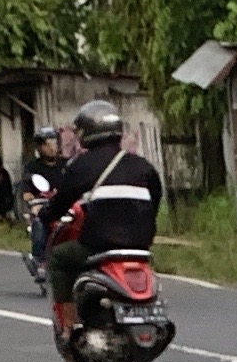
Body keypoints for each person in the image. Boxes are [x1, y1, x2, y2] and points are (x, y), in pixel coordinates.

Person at [31, 100, 162, 330]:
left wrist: (43, 214)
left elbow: (60, 204)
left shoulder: (82, 166)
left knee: (59, 258)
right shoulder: (143, 166)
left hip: (99, 245)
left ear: (86, 133)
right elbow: (155, 202)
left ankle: (69, 326)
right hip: (141, 245)